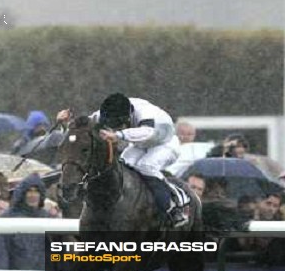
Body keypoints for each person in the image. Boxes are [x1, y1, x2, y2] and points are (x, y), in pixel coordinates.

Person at [57, 93, 187, 227]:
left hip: (165, 143)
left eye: (119, 125)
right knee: (123, 165)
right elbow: (81, 128)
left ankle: (174, 204)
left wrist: (119, 135)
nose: (115, 129)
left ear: (129, 116)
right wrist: (66, 122)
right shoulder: (103, 114)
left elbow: (147, 132)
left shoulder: (147, 113)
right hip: (140, 145)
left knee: (146, 166)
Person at [0, 173, 50, 270]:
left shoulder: (47, 218)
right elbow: (0, 257)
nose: (33, 195)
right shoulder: (7, 219)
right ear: (22, 194)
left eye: (36, 191)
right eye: (29, 191)